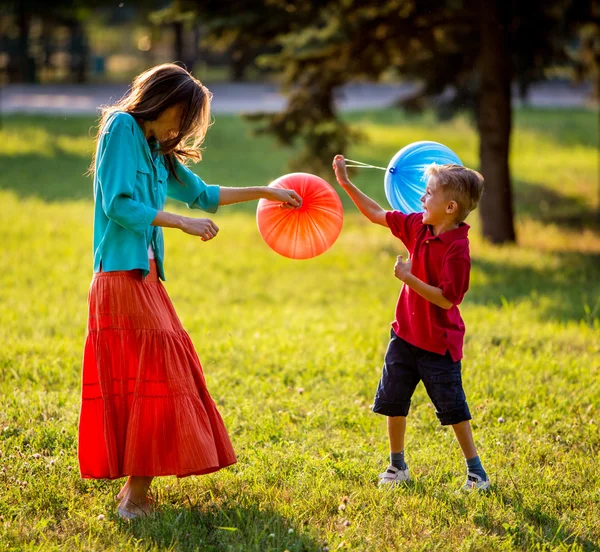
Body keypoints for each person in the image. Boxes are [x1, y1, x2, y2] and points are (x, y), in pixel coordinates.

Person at [78, 63, 302, 519]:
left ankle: (133, 496)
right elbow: (118, 203)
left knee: (159, 379)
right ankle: (133, 500)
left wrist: (267, 192)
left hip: (145, 278)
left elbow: (203, 195)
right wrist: (179, 222)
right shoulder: (122, 128)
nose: (179, 129)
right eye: (180, 117)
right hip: (120, 277)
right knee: (159, 376)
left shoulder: (158, 149)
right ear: (160, 100)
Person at [332, 154, 489, 490]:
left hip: (438, 345)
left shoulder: (457, 250)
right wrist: (346, 183)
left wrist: (408, 277)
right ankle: (397, 466)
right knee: (394, 400)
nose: (421, 198)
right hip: (404, 335)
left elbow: (447, 298)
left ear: (450, 207)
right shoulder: (418, 226)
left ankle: (476, 471)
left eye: (428, 193)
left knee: (453, 409)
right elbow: (376, 214)